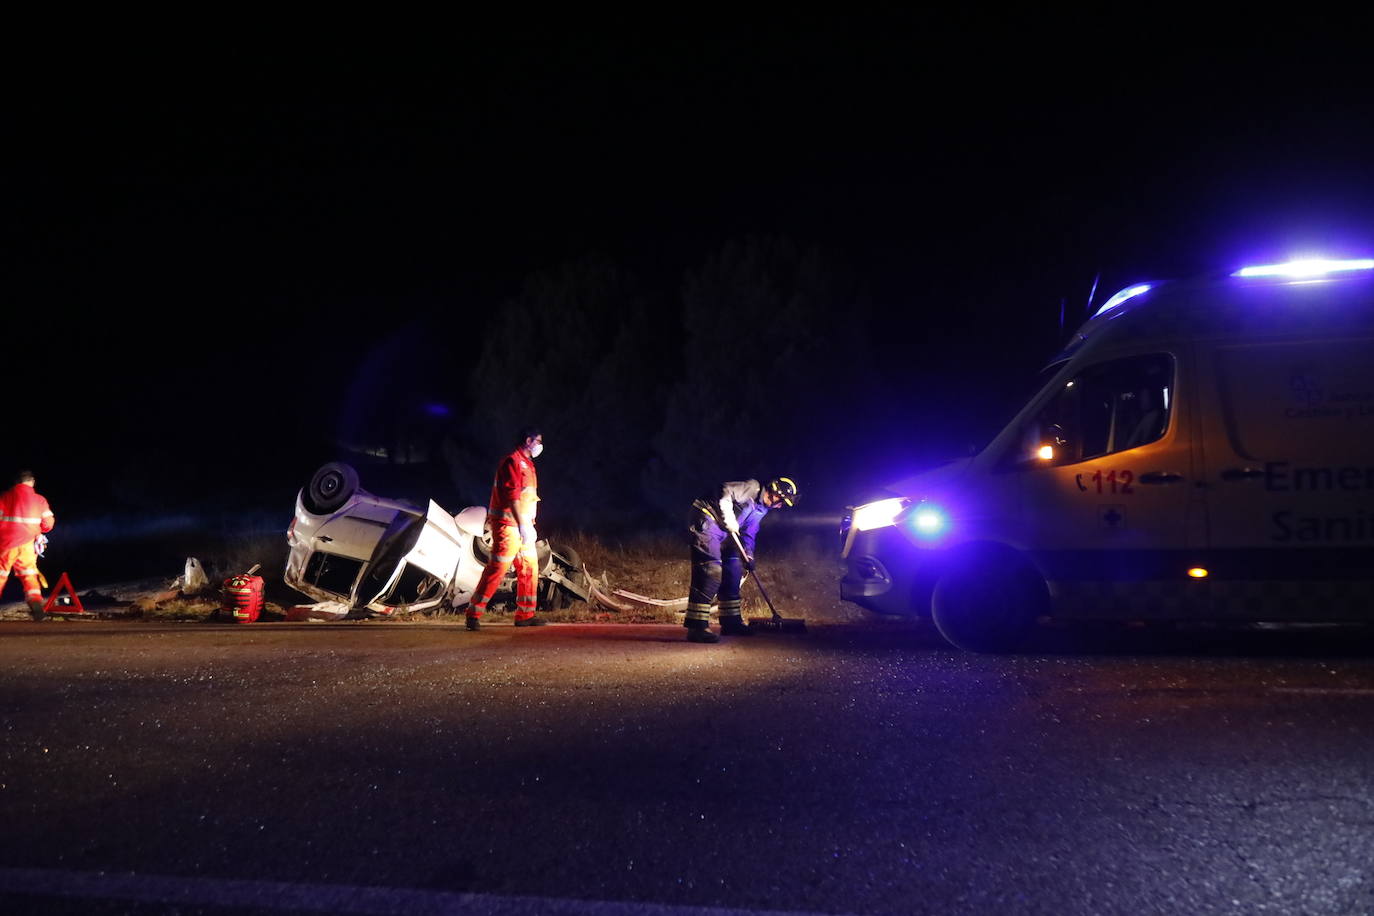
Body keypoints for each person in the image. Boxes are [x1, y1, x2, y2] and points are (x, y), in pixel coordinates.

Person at [684, 476, 797, 643]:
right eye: (781, 501)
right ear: (774, 493)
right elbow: (725, 491)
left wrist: (748, 555)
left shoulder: (761, 509)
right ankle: (697, 627)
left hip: (726, 531)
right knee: (711, 571)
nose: (780, 506)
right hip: (707, 518)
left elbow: (749, 533)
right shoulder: (753, 488)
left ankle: (731, 623)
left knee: (733, 570)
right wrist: (728, 518)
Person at [466, 427, 547, 631]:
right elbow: (512, 497)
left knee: (529, 567)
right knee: (498, 568)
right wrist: (522, 525)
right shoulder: (512, 461)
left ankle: (525, 615)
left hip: (522, 525)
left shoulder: (527, 463)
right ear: (528, 440)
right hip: (509, 526)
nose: (540, 445)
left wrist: (527, 525)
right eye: (538, 441)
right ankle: (473, 614)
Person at [0, 470, 56, 621]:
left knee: (1, 575)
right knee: (29, 575)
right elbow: (48, 523)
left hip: (6, 543)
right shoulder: (40, 500)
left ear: (16, 483)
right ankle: (36, 604)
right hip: (28, 544)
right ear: (32, 482)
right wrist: (40, 530)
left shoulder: (5, 497)